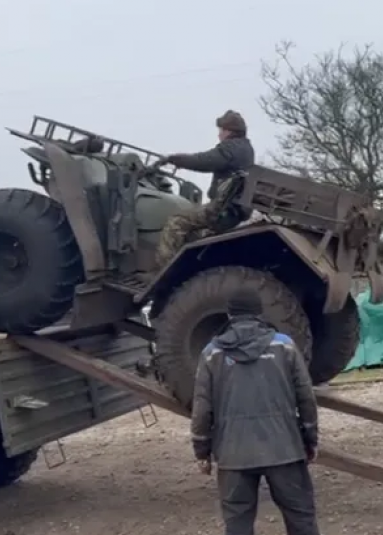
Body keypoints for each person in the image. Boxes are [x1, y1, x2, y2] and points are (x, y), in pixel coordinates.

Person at [190, 288, 320, 535]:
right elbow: (306, 398)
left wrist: (202, 451)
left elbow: (202, 409)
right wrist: (310, 439)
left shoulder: (211, 353)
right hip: (285, 450)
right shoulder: (285, 346)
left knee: (237, 524)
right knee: (301, 518)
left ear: (230, 315)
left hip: (232, 454)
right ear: (259, 313)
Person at [152, 110, 255, 270]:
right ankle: (185, 270)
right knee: (193, 232)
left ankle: (163, 273)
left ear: (228, 131)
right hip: (233, 210)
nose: (219, 135)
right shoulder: (246, 148)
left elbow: (204, 161)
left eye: (220, 130)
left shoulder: (231, 148)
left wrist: (173, 159)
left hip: (223, 210)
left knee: (176, 222)